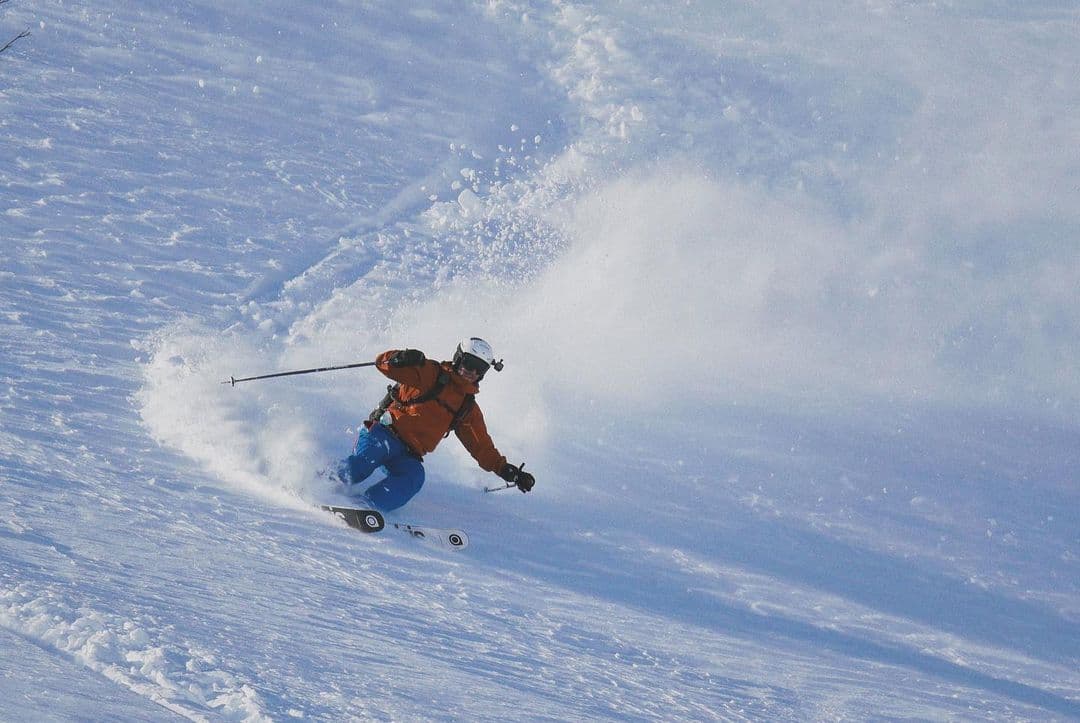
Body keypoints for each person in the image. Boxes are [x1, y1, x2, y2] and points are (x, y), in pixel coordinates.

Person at [337, 337, 535, 511]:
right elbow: (383, 364)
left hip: (408, 454)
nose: (472, 372)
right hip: (383, 434)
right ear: (458, 359)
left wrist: (506, 469)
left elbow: (481, 446)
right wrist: (401, 357)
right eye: (469, 363)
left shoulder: (466, 407)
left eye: (480, 368)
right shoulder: (430, 373)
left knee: (414, 478)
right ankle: (323, 483)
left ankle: (366, 508)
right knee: (363, 463)